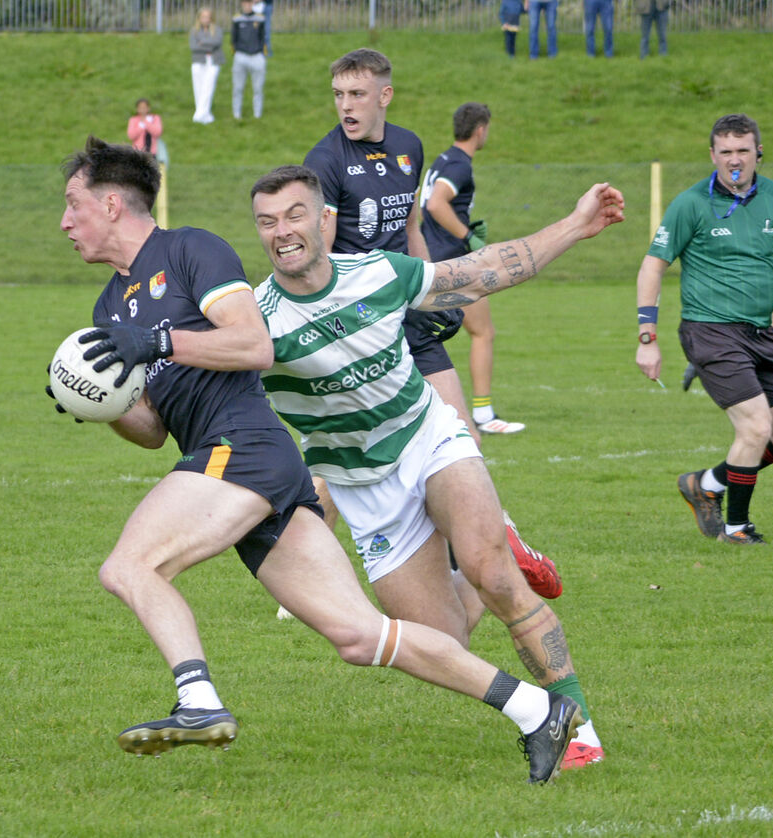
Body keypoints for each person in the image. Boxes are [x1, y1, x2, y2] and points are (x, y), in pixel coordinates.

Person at [50, 136, 584, 784]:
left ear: (110, 204)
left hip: (242, 447)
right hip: (236, 463)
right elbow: (154, 431)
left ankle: (198, 701)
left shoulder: (189, 250)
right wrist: (96, 404)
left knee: (129, 565)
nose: (64, 222)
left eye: (72, 204)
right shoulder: (110, 307)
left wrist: (158, 338)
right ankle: (538, 712)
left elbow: (252, 344)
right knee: (362, 637)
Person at [250, 165, 624, 770]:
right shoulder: (256, 321)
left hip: (429, 440)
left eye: (295, 215)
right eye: (267, 222)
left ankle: (578, 726)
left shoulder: (377, 273)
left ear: (325, 219)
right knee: (444, 641)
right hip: (362, 490)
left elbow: (487, 272)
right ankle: (498, 545)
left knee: (494, 578)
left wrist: (577, 225)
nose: (282, 232)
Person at [302, 49, 556, 598]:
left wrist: (432, 293)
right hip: (358, 326)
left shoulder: (409, 147)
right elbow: (319, 257)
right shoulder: (323, 162)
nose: (346, 106)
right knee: (341, 468)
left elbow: (412, 227)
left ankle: (495, 546)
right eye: (339, 94)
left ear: (384, 96)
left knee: (460, 438)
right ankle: (311, 580)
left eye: (357, 94)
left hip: (407, 312)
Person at [636, 113, 773, 546]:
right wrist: (647, 336)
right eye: (725, 152)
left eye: (742, 150)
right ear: (712, 155)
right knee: (755, 427)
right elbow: (652, 267)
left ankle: (708, 485)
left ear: (758, 152)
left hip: (761, 332)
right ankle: (736, 529)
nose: (734, 160)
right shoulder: (691, 203)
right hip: (711, 332)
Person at [420, 102, 523, 435]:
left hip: (430, 259)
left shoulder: (443, 159)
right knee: (482, 333)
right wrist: (467, 236)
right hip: (455, 264)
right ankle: (483, 414)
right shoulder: (460, 165)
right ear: (481, 129)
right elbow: (436, 203)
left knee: (419, 337)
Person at [231, 0, 266, 120]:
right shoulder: (237, 19)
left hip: (256, 56)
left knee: (258, 88)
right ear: (241, 4)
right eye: (245, 3)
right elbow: (233, 39)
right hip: (241, 55)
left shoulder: (260, 18)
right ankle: (236, 114)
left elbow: (263, 37)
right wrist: (237, 51)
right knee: (238, 87)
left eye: (249, 3)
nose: (247, 5)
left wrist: (260, 52)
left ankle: (257, 115)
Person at [189, 7, 224, 125]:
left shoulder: (217, 30)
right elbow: (193, 47)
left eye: (208, 17)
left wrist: (202, 43)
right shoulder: (194, 31)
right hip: (198, 61)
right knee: (198, 88)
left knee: (208, 86)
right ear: (199, 18)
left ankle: (198, 115)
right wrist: (209, 43)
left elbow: (217, 42)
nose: (205, 19)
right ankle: (205, 115)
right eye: (203, 17)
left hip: (213, 61)